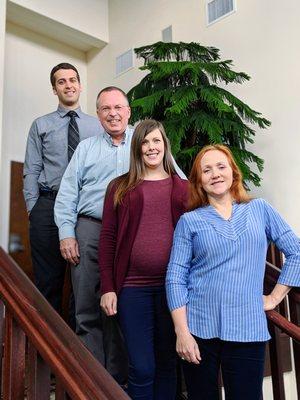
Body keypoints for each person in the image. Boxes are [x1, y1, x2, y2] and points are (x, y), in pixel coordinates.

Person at [54, 88, 185, 381]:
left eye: (118, 108)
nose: (113, 113)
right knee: (87, 305)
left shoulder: (145, 143)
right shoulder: (86, 148)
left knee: (120, 306)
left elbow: (179, 181)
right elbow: (67, 194)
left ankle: (118, 379)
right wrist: (66, 233)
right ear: (98, 115)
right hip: (90, 228)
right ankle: (91, 381)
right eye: (105, 109)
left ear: (128, 112)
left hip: (132, 232)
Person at [166, 144, 300, 400]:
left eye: (220, 167)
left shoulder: (259, 210)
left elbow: (297, 253)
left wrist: (274, 298)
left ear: (233, 172)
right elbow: (175, 278)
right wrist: (182, 333)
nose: (215, 174)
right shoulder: (190, 221)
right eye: (206, 170)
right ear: (199, 181)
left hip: (247, 328)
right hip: (198, 328)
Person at [99, 119, 188, 400]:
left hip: (172, 291)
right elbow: (108, 238)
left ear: (165, 145)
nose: (151, 147)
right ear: (136, 148)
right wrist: (108, 287)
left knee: (167, 363)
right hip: (132, 289)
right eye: (145, 142)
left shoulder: (183, 187)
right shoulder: (120, 187)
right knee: (142, 366)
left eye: (156, 141)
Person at [23, 62, 102, 317]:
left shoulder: (97, 126)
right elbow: (31, 169)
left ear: (80, 85)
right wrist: (33, 208)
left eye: (72, 80)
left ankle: (75, 349)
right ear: (54, 89)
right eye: (61, 81)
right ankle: (45, 349)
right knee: (48, 282)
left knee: (83, 282)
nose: (68, 85)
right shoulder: (41, 125)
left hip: (84, 209)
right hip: (48, 205)